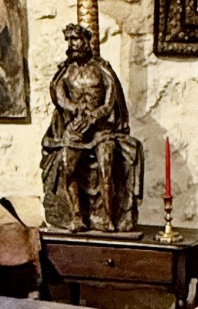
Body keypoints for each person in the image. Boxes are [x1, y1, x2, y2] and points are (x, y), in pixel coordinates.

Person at [40, 24, 143, 233]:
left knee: (107, 168)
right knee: (66, 168)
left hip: (101, 130)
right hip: (77, 128)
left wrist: (94, 117)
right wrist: (75, 109)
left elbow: (111, 101)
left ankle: (108, 217)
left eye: (76, 39)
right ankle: (77, 216)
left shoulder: (102, 70)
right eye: (69, 40)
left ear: (86, 41)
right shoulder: (66, 72)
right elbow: (59, 97)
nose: (72, 44)